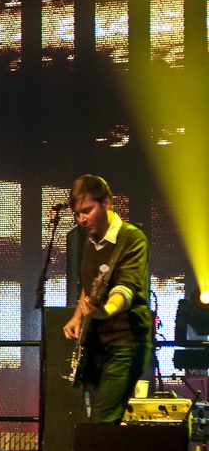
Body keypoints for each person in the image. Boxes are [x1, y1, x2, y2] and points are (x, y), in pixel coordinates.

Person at [62, 174, 151, 423]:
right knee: (95, 423)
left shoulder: (132, 239)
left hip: (125, 343)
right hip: (96, 345)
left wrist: (105, 310)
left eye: (87, 211)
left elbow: (126, 290)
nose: (82, 219)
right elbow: (90, 287)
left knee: (103, 421)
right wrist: (78, 316)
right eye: (77, 214)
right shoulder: (89, 241)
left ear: (106, 203)